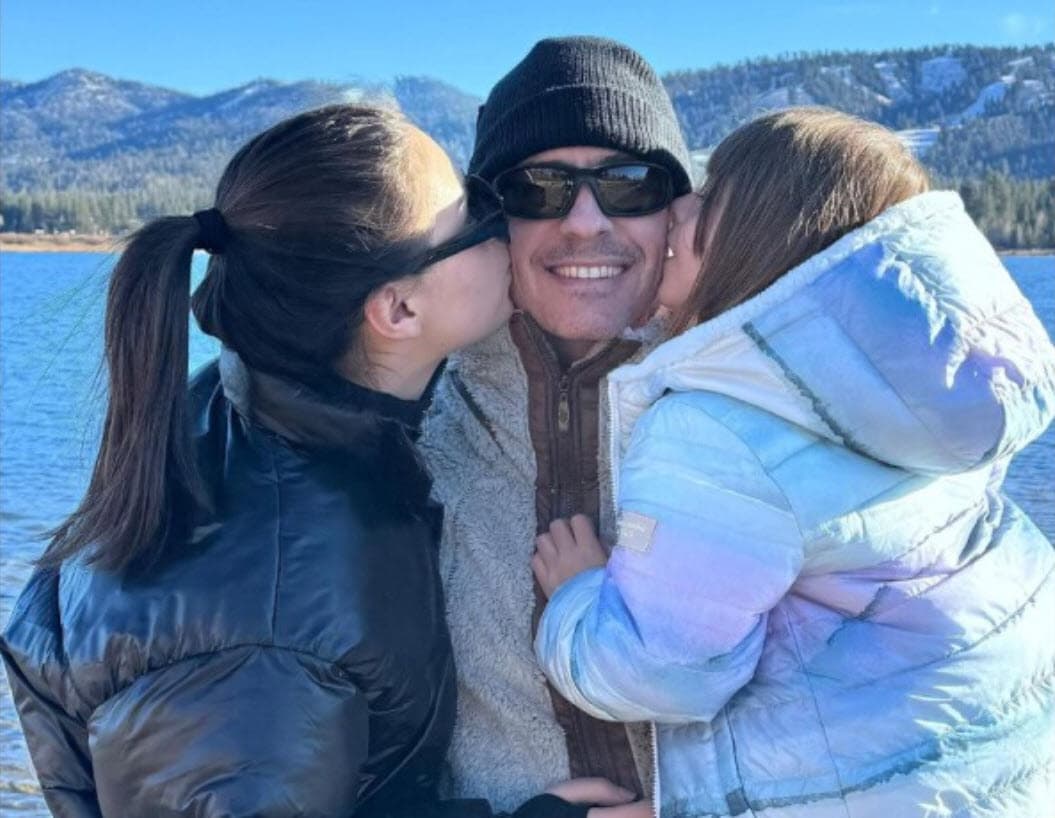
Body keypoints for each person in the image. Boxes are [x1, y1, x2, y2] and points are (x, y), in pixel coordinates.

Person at [0, 104, 639, 818]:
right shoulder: (271, 617)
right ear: (396, 311)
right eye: (479, 218)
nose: (512, 228)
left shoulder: (251, 408)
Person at [532, 108, 1055, 817]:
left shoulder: (716, 427)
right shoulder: (916, 403)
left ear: (760, 234)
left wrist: (577, 596)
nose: (679, 206)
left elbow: (660, 673)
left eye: (709, 196)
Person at [419, 36, 692, 812]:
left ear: (675, 211)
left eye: (627, 183)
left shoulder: (763, 397)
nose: (581, 221)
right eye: (538, 187)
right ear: (489, 217)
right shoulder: (406, 403)